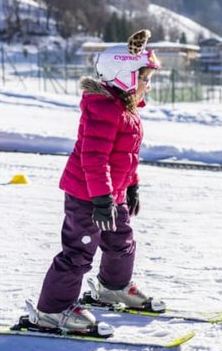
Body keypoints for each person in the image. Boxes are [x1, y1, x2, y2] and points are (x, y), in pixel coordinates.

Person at [26, 29, 163, 335]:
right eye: (144, 78)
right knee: (79, 251)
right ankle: (52, 310)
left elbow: (125, 156)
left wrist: (131, 185)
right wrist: (101, 200)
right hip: (88, 195)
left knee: (120, 241)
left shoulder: (126, 110)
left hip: (112, 193)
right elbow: (94, 159)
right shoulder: (103, 109)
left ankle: (113, 287)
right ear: (124, 76)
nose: (148, 85)